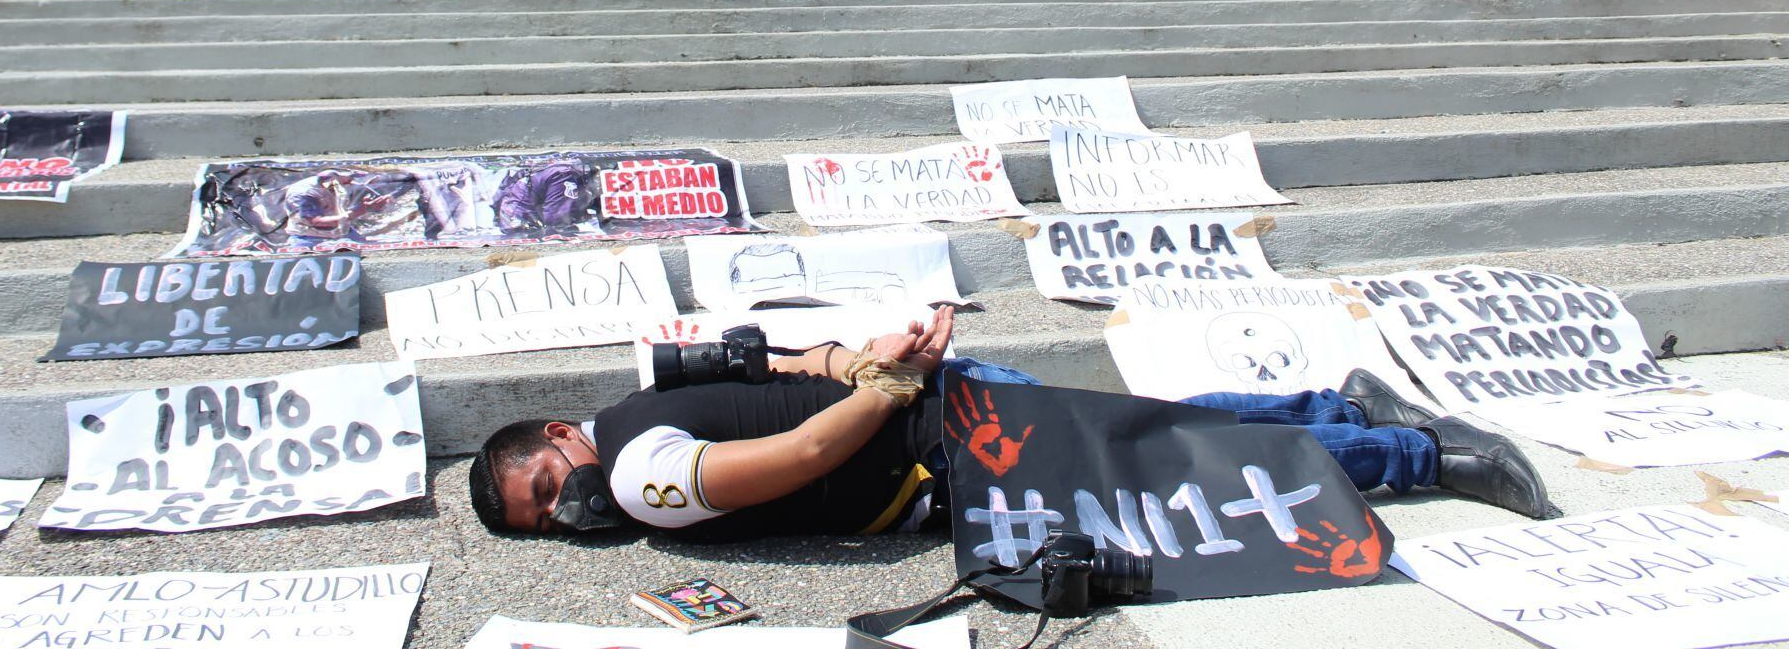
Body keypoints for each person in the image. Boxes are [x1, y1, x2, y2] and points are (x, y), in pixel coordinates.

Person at [468, 306, 1553, 540]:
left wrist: (877, 382)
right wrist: (865, 364)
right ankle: (1347, 410)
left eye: (546, 486)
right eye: (542, 520)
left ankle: (1422, 451)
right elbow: (777, 359)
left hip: (955, 437)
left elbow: (799, 446)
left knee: (1179, 454)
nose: (566, 509)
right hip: (947, 422)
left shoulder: (643, 470)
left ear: (564, 437)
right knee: (1166, 431)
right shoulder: (643, 398)